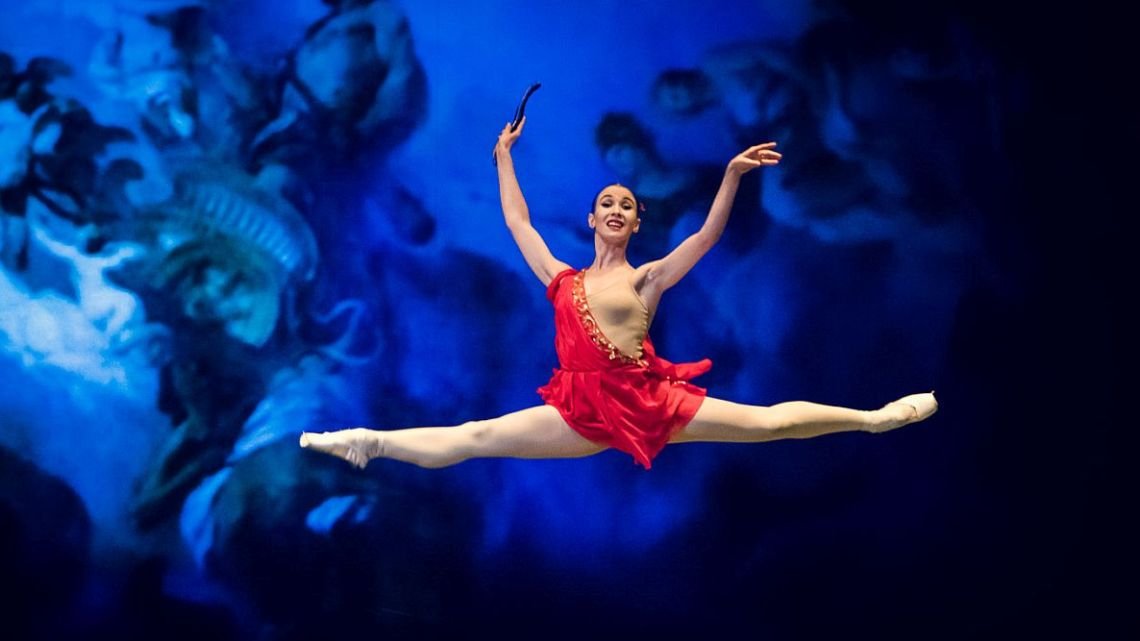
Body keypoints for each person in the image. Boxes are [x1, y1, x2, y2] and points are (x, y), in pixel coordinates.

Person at [299, 117, 937, 470]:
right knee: (475, 436)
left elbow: (710, 236)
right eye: (605, 202)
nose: (614, 208)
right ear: (590, 219)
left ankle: (873, 418)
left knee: (766, 423)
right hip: (580, 410)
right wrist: (502, 157)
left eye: (625, 205)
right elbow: (518, 223)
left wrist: (733, 175)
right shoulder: (562, 279)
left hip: (649, 400)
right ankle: (370, 440)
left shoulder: (647, 277)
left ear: (635, 225)